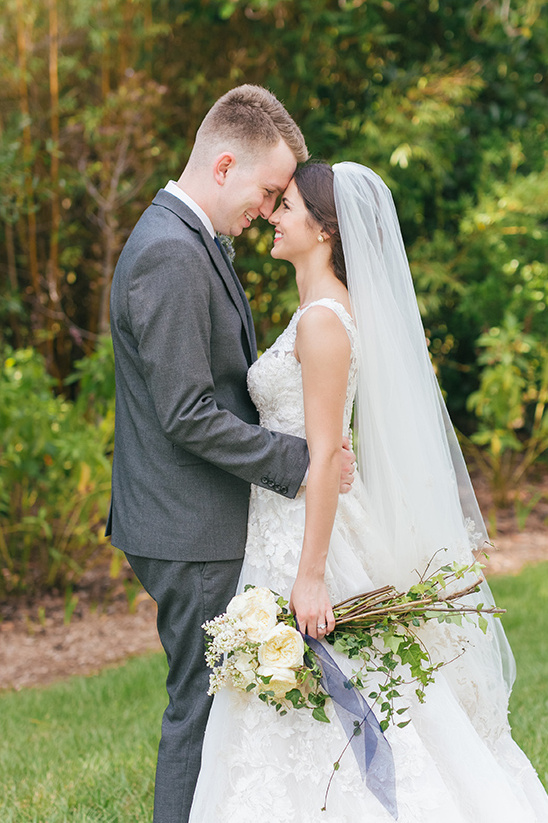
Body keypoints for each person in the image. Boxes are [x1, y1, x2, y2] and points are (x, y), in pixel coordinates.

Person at [188, 162, 548, 822]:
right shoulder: (314, 314)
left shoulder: (323, 321)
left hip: (306, 539)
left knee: (344, 698)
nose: (274, 214)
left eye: (287, 205)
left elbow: (325, 456)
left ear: (325, 229)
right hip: (278, 529)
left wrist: (313, 576)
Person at [106, 86, 355, 823]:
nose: (271, 208)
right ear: (223, 166)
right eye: (268, 190)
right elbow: (187, 412)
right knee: (202, 709)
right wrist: (301, 461)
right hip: (189, 525)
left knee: (223, 709)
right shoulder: (172, 255)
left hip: (199, 513)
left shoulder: (188, 241)